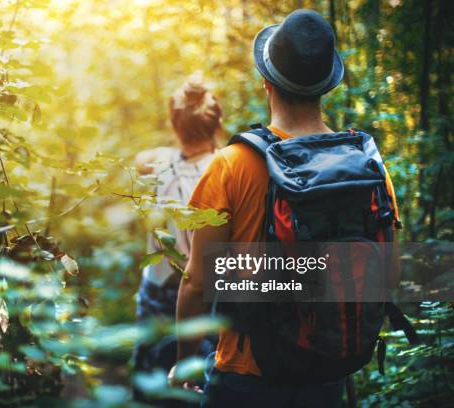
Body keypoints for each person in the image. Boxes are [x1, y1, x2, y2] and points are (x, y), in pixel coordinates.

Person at [172, 9, 401, 407]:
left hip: (246, 376)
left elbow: (196, 282)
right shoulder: (367, 165)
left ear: (266, 82)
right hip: (328, 372)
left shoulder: (233, 165)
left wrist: (184, 365)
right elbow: (389, 272)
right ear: (326, 85)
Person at [133, 73, 221, 405]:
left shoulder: (157, 163)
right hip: (205, 296)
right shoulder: (226, 168)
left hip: (158, 288)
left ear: (174, 123)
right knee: (202, 388)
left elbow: (141, 159)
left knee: (151, 385)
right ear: (217, 123)